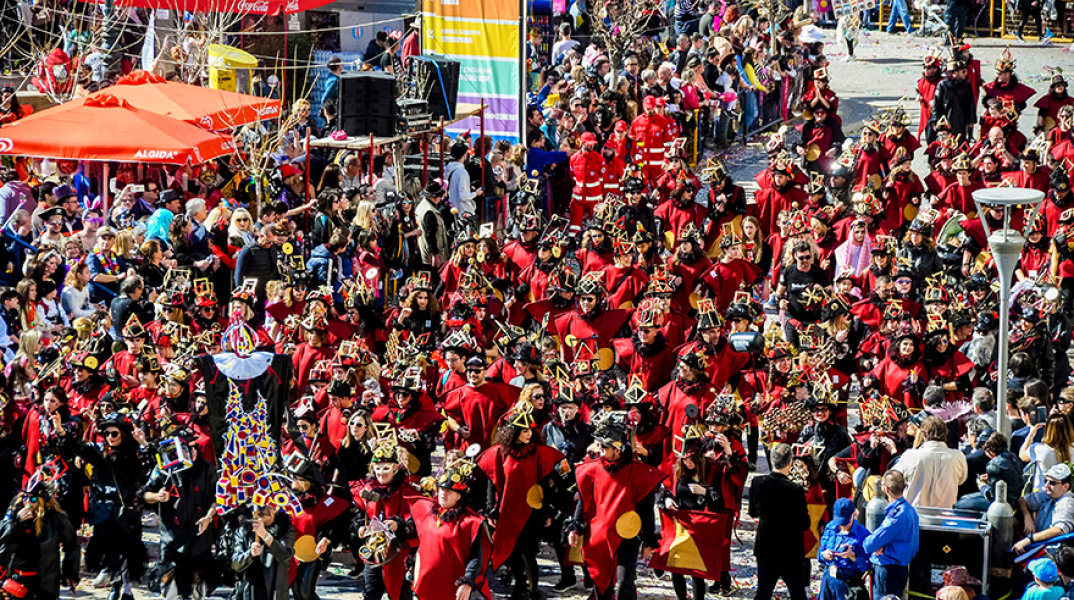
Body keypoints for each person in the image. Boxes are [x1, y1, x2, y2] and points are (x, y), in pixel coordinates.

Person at [749, 442, 810, 600]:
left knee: (763, 591)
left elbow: (753, 513)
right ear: (790, 463)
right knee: (797, 592)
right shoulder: (795, 490)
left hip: (766, 546)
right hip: (790, 550)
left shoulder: (757, 483)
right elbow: (805, 524)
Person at [863, 470, 920, 600]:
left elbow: (870, 544)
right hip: (901, 569)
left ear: (886, 489)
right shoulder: (911, 511)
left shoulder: (896, 516)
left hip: (887, 570)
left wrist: (880, 545)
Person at [894, 416, 968, 508]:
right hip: (946, 515)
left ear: (923, 435)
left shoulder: (910, 456)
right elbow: (961, 480)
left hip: (916, 516)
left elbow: (893, 481)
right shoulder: (958, 456)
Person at [1014, 464, 1074, 554]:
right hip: (1038, 549)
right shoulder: (1048, 494)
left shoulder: (1067, 503)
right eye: (1046, 481)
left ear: (1065, 486)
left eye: (1052, 483)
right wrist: (1027, 517)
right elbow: (1023, 500)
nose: (1047, 485)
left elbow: (1059, 530)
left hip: (1052, 555)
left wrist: (1030, 539)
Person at [817, 498, 870, 600]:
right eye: (840, 522)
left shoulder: (863, 534)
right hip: (829, 579)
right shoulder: (831, 527)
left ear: (853, 514)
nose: (843, 526)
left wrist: (853, 556)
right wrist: (824, 555)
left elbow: (867, 567)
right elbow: (819, 554)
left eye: (846, 522)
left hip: (848, 583)